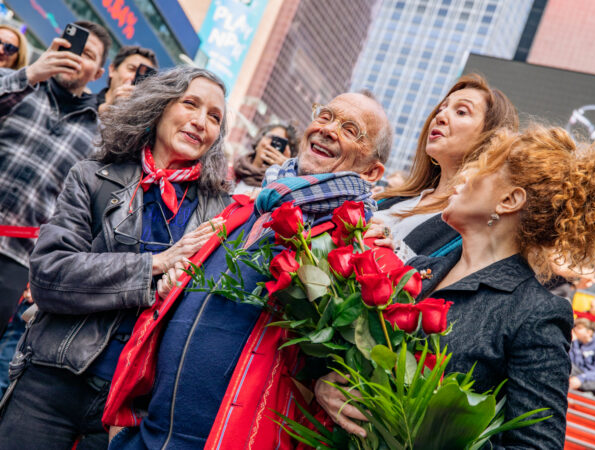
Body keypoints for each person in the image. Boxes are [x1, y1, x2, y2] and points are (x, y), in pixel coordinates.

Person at [317, 126, 595, 448]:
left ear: (509, 200)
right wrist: (329, 388)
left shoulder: (536, 312)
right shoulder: (418, 269)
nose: (461, 181)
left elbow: (536, 444)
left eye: (481, 173)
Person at [103, 92, 392, 449]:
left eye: (350, 129)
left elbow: (353, 370)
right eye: (326, 116)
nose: (328, 130)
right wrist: (125, 423)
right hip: (147, 437)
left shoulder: (358, 251)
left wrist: (330, 382)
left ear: (372, 171)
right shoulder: (244, 208)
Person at [0, 66, 230, 450]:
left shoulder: (223, 214)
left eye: (214, 117)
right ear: (159, 107)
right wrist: (154, 266)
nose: (201, 121)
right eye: (190, 103)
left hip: (130, 410)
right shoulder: (92, 177)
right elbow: (49, 275)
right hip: (51, 380)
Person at [0, 21, 111, 336]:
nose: (74, 57)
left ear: (98, 74)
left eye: (87, 54)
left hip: (18, 260)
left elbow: (84, 213)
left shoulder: (101, 136)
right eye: (69, 46)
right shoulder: (14, 83)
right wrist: (31, 74)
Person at [368, 73, 518, 260]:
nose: (441, 116)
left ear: (491, 137)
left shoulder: (472, 224)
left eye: (461, 112)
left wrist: (389, 254)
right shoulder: (395, 197)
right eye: (441, 108)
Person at [231, 122, 298, 195]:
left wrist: (285, 170)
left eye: (280, 144)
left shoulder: (279, 188)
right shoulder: (229, 173)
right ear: (258, 142)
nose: (272, 145)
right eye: (271, 137)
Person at [97, 45, 158, 115]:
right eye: (131, 69)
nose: (134, 78)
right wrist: (108, 106)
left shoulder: (140, 121)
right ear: (112, 69)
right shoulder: (84, 99)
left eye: (143, 77)